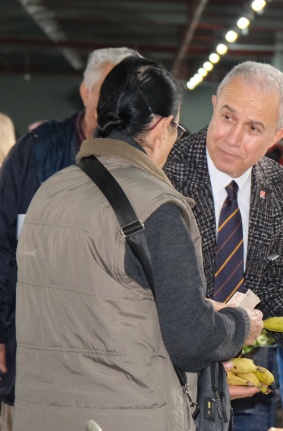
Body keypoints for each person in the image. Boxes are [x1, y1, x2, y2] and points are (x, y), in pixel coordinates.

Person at [14, 56, 262, 430]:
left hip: (42, 413)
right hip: (127, 415)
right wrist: (240, 323)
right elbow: (192, 341)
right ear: (162, 126)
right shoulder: (155, 206)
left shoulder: (50, 192)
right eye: (177, 127)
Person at [164, 61, 283, 381]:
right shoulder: (165, 170)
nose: (233, 137)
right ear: (214, 106)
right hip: (164, 368)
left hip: (241, 368)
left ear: (276, 136)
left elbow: (276, 286)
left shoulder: (280, 186)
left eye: (253, 128)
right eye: (228, 117)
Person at [0, 46, 138, 430]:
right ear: (86, 92)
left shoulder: (149, 165)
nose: (117, 103)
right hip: (35, 341)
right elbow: (2, 243)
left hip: (116, 356)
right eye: (108, 90)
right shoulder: (36, 151)